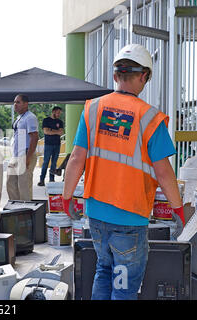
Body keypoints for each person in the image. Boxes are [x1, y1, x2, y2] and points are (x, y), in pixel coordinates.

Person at [62, 44, 186, 300]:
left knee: (104, 270)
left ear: (116, 75)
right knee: (125, 285)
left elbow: (76, 159)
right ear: (144, 76)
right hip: (130, 218)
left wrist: (66, 197)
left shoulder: (92, 109)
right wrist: (178, 209)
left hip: (96, 213)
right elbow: (164, 172)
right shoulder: (150, 118)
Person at [6, 94, 39, 201]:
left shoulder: (30, 117)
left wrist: (28, 158)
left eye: (18, 102)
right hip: (16, 155)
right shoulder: (19, 118)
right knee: (11, 183)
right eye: (14, 102)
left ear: (26, 104)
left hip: (25, 154)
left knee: (24, 186)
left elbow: (34, 138)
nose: (15, 105)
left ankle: (26, 213)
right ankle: (15, 210)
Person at [38, 106, 64, 186]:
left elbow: (61, 132)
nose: (59, 114)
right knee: (46, 162)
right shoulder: (46, 120)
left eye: (60, 113)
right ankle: (42, 180)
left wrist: (51, 131)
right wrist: (56, 131)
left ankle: (52, 179)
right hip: (48, 144)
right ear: (53, 111)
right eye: (58, 112)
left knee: (54, 162)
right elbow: (46, 132)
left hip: (57, 144)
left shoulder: (60, 122)